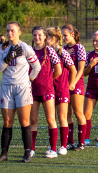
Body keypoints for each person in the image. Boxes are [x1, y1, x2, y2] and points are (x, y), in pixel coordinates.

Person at [0, 21, 41, 163]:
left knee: (24, 120)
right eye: (8, 30)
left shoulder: (25, 48)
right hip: (7, 87)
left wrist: (30, 79)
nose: (10, 33)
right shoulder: (1, 48)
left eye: (13, 30)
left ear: (19, 32)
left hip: (22, 88)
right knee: (7, 121)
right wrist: (8, 58)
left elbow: (36, 66)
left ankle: (27, 152)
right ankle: (4, 153)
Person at [30, 26, 62, 158]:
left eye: (39, 35)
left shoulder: (49, 50)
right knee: (33, 120)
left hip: (47, 90)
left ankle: (53, 149)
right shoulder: (29, 51)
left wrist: (48, 80)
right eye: (34, 35)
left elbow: (58, 70)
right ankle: (31, 149)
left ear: (45, 37)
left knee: (51, 119)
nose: (37, 37)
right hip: (32, 90)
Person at [46, 27, 77, 155]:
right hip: (49, 89)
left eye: (45, 37)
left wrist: (70, 84)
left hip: (61, 89)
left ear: (52, 38)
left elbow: (73, 70)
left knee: (62, 117)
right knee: (50, 119)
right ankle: (52, 146)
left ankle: (63, 146)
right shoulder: (45, 52)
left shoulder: (62, 52)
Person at [61, 24, 87, 151]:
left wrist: (73, 83)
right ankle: (70, 142)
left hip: (76, 83)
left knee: (78, 113)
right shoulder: (63, 49)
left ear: (72, 34)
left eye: (65, 35)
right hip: (64, 84)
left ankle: (81, 143)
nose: (63, 38)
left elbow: (81, 69)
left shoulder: (79, 48)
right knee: (67, 114)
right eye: (62, 36)